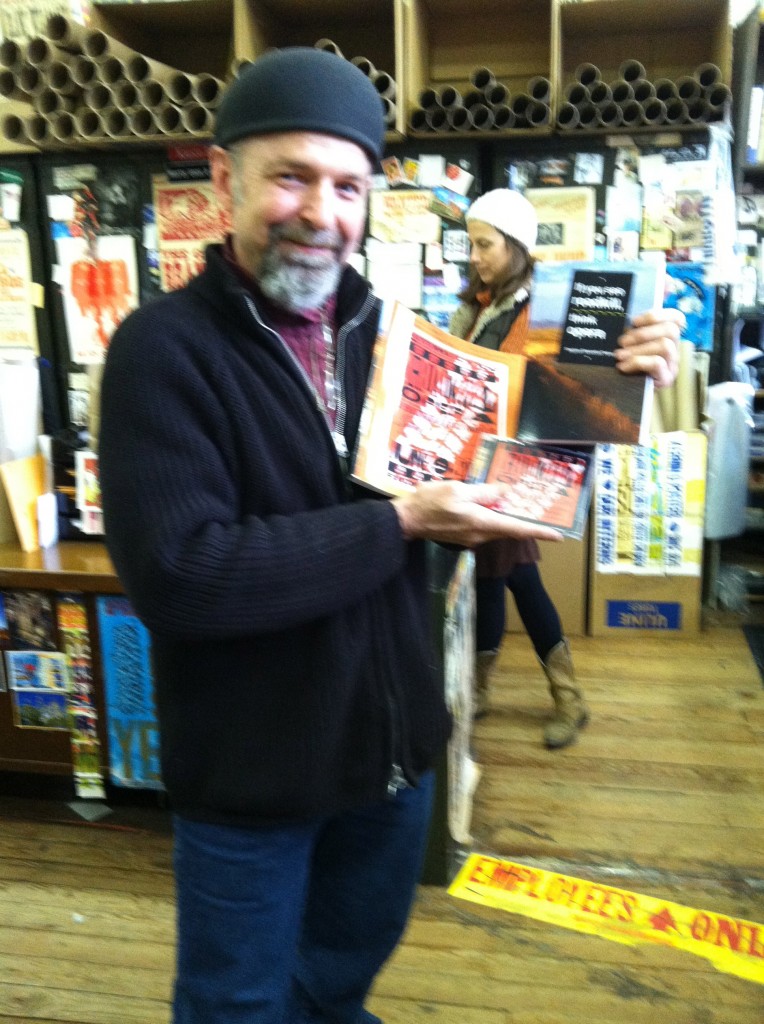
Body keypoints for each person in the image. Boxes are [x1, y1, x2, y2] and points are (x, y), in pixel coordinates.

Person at [97, 50, 683, 1024]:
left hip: (392, 761)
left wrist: (604, 384)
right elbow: (186, 575)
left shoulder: (393, 335)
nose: (320, 212)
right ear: (224, 180)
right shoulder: (162, 351)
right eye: (290, 176)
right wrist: (402, 519)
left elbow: (503, 499)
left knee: (337, 985)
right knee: (233, 1006)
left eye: (347, 185)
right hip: (251, 784)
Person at [449, 188, 684, 747]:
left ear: (517, 247)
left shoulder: (540, 308)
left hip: (518, 466)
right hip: (475, 464)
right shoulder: (478, 304)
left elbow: (559, 386)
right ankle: (530, 694)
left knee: (508, 577)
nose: (475, 255)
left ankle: (555, 697)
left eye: (485, 244)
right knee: (500, 576)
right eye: (472, 243)